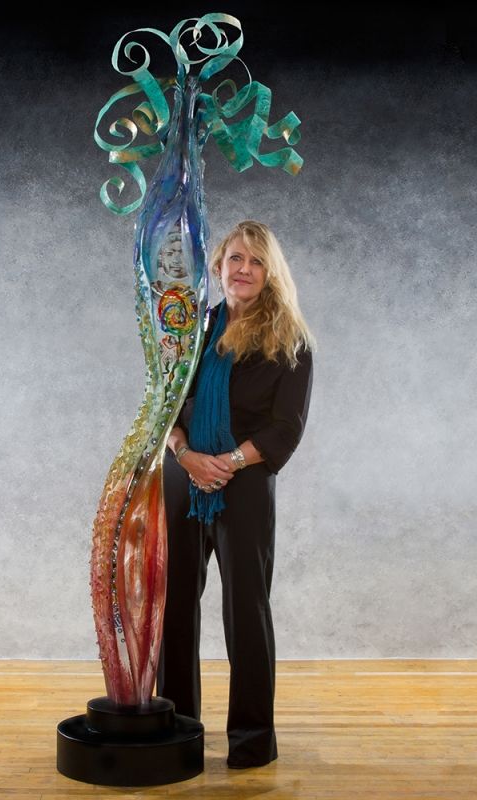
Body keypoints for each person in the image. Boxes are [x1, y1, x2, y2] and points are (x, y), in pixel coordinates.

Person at [155, 219, 315, 769]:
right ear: (219, 267)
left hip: (243, 484)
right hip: (183, 478)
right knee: (173, 606)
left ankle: (250, 741)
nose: (243, 270)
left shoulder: (288, 339)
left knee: (245, 610)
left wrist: (229, 462)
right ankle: (175, 729)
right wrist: (185, 454)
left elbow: (285, 427)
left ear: (270, 274)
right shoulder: (190, 330)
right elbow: (164, 404)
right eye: (235, 259)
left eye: (255, 261)